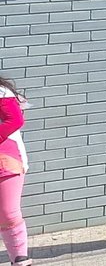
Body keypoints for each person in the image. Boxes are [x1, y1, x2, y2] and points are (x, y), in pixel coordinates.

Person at [0, 76, 30, 266]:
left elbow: (15, 119)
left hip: (6, 158)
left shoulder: (2, 92)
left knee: (8, 213)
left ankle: (20, 260)